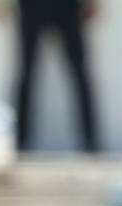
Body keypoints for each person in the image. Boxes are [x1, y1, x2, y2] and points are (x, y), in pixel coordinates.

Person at [14, 0, 99, 152]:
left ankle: (90, 141)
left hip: (67, 5)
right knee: (26, 74)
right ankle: (20, 142)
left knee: (79, 74)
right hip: (31, 6)